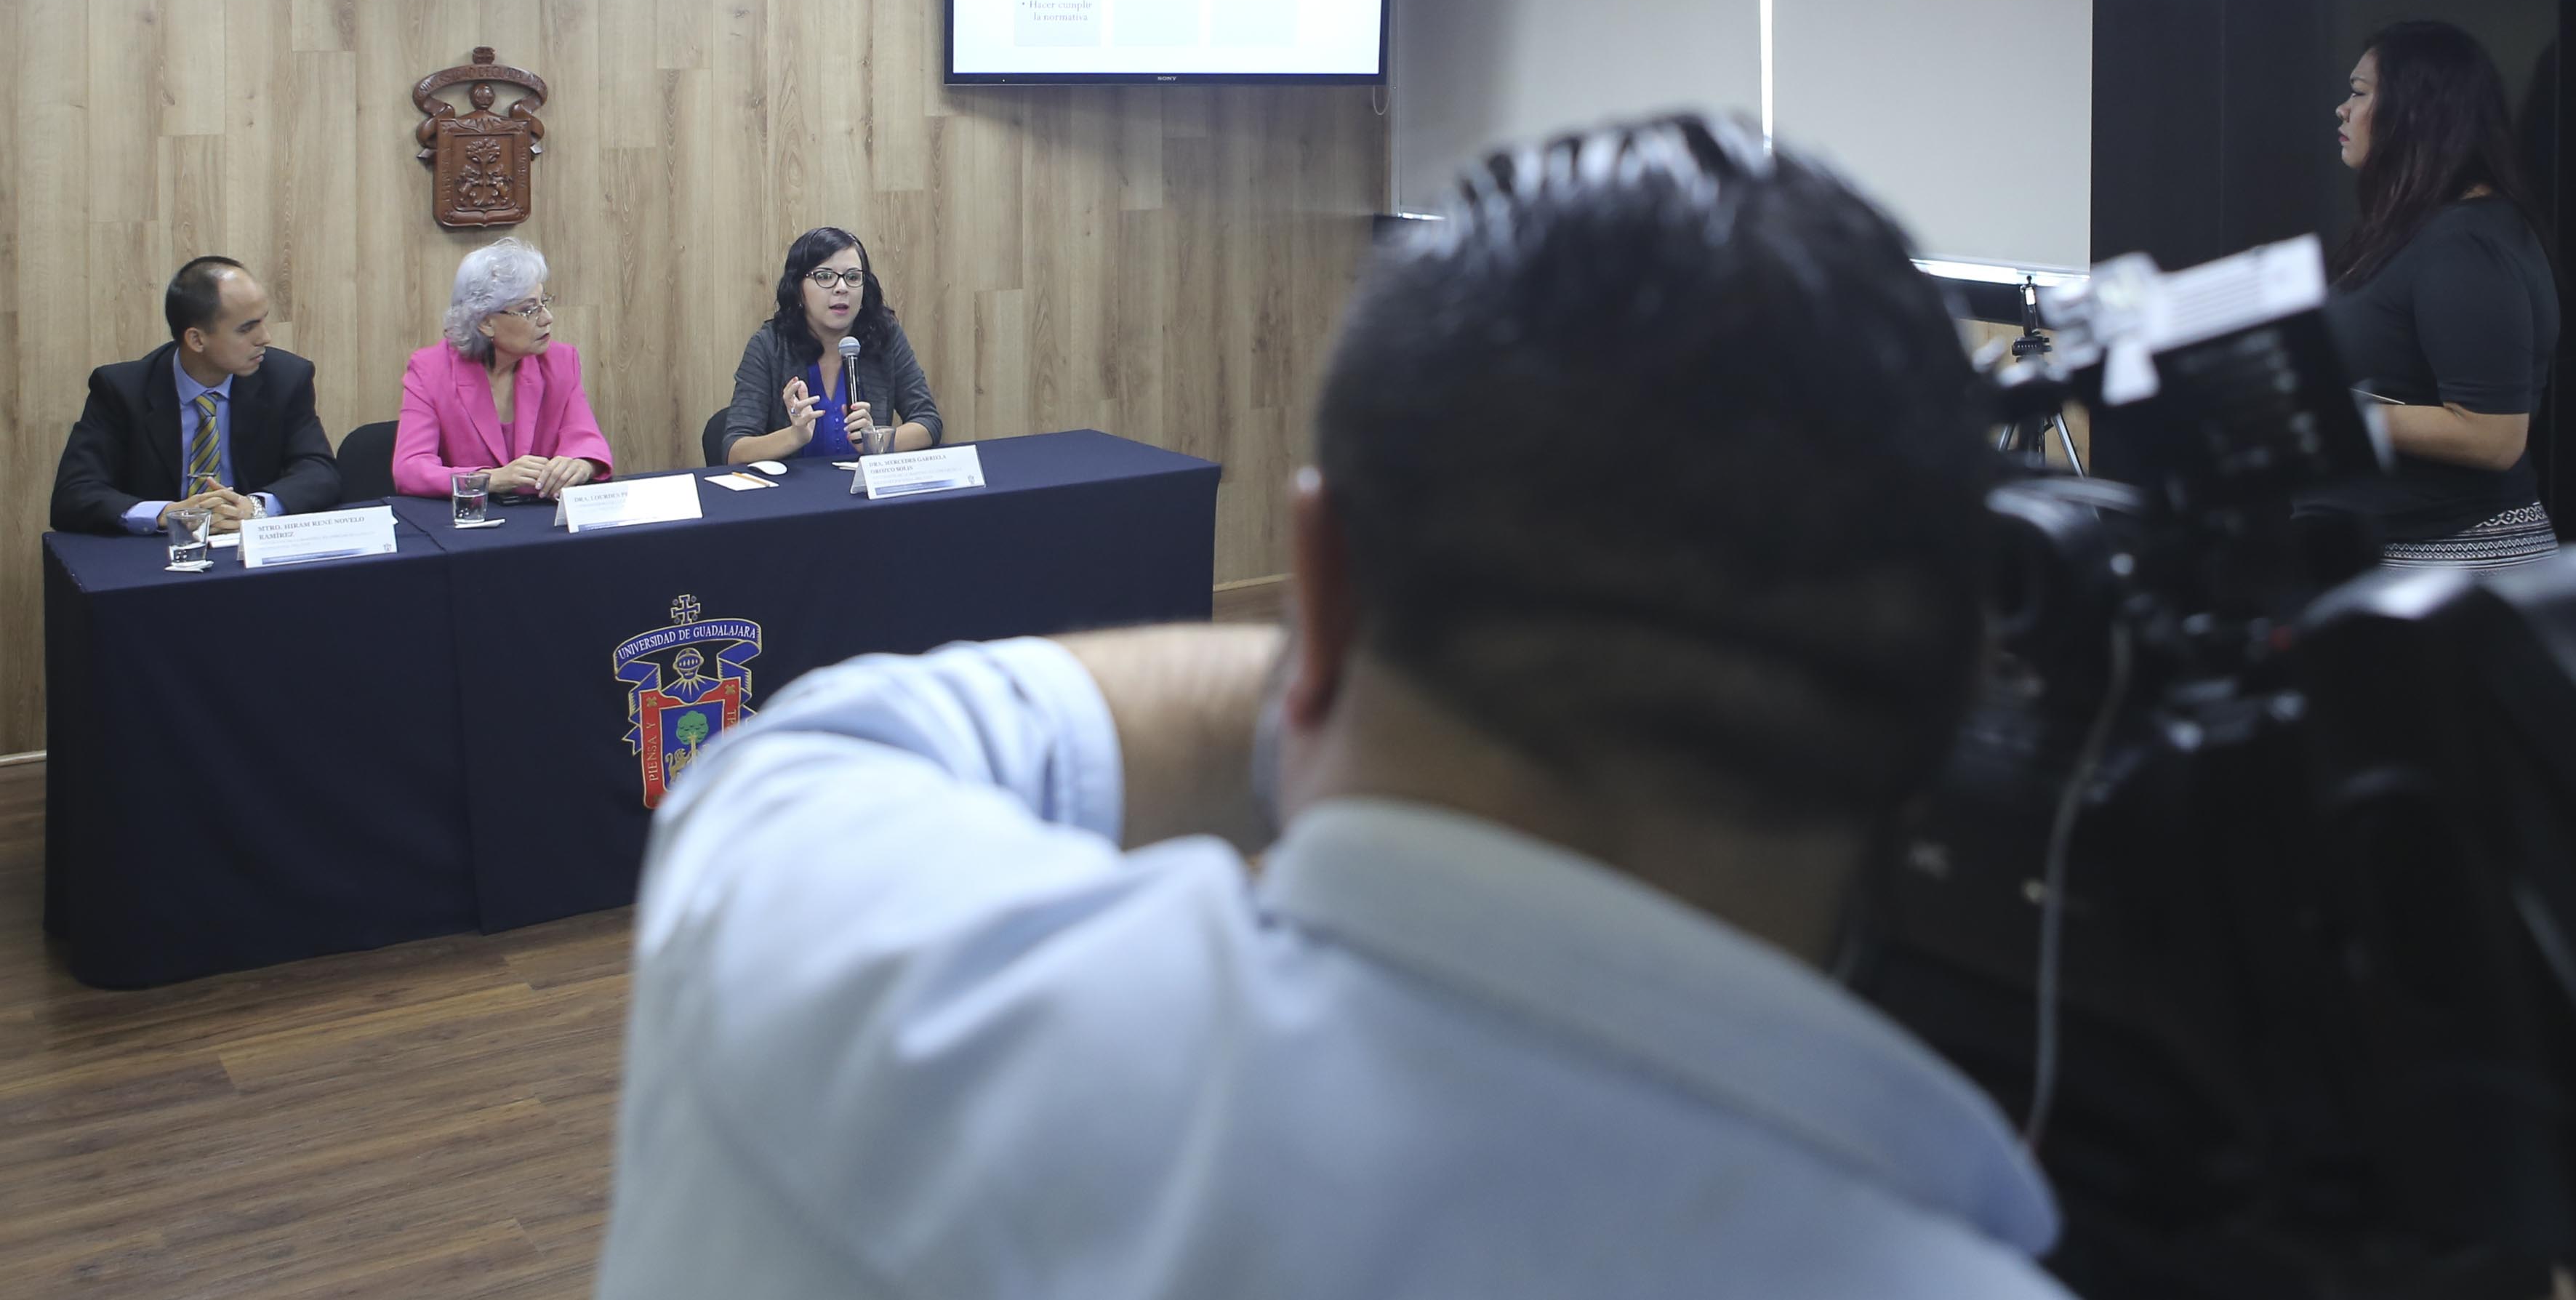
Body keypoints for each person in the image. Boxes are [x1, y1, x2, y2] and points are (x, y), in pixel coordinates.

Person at [599, 116, 2066, 1299]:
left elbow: (822, 746)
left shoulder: (831, 980)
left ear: (1317, 581)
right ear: (1951, 681)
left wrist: (1371, 657)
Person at [2307, 21, 2561, 566]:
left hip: (2455, 562)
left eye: (2358, 92)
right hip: (2390, 555)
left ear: (2415, 109)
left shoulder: (2466, 244)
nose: (2341, 110)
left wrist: (2326, 407)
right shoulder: (2419, 229)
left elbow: (2492, 436)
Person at [52, 255, 340, 536]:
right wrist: (165, 515)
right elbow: (74, 494)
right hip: (156, 558)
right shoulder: (122, 390)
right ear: (196, 339)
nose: (265, 337)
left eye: (262, 321)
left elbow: (320, 473)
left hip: (248, 549)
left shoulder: (287, 378)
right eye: (247, 329)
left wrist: (255, 507)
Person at [391, 238, 612, 501]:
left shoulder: (561, 361)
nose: (547, 318)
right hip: (470, 526)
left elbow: (587, 440)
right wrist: (491, 479)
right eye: (529, 310)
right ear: (486, 323)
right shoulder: (430, 370)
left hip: (542, 520)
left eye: (544, 302)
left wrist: (580, 464)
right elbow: (410, 469)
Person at [721, 227, 940, 465]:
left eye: (853, 277)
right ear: (798, 289)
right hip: (793, 496)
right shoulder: (769, 346)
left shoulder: (884, 336)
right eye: (825, 276)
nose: (842, 288)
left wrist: (876, 441)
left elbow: (928, 423)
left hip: (866, 493)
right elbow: (735, 450)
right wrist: (793, 436)